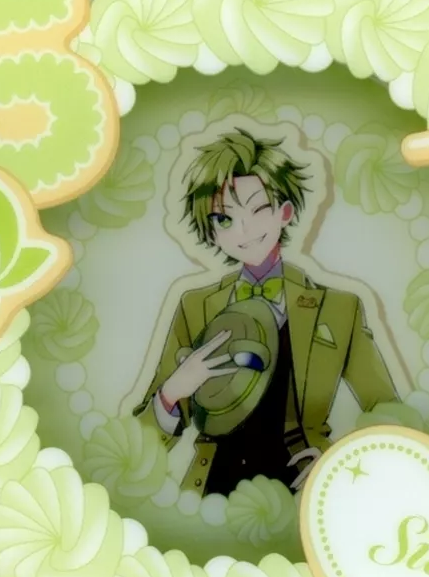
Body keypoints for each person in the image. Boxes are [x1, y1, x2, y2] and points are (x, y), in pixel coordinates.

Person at [133, 128, 398, 496]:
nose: (243, 230)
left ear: (284, 212)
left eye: (258, 210)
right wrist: (173, 390)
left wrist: (341, 461)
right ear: (211, 231)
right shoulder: (195, 306)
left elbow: (390, 415)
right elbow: (140, 444)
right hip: (213, 490)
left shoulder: (338, 308)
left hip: (303, 489)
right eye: (224, 219)